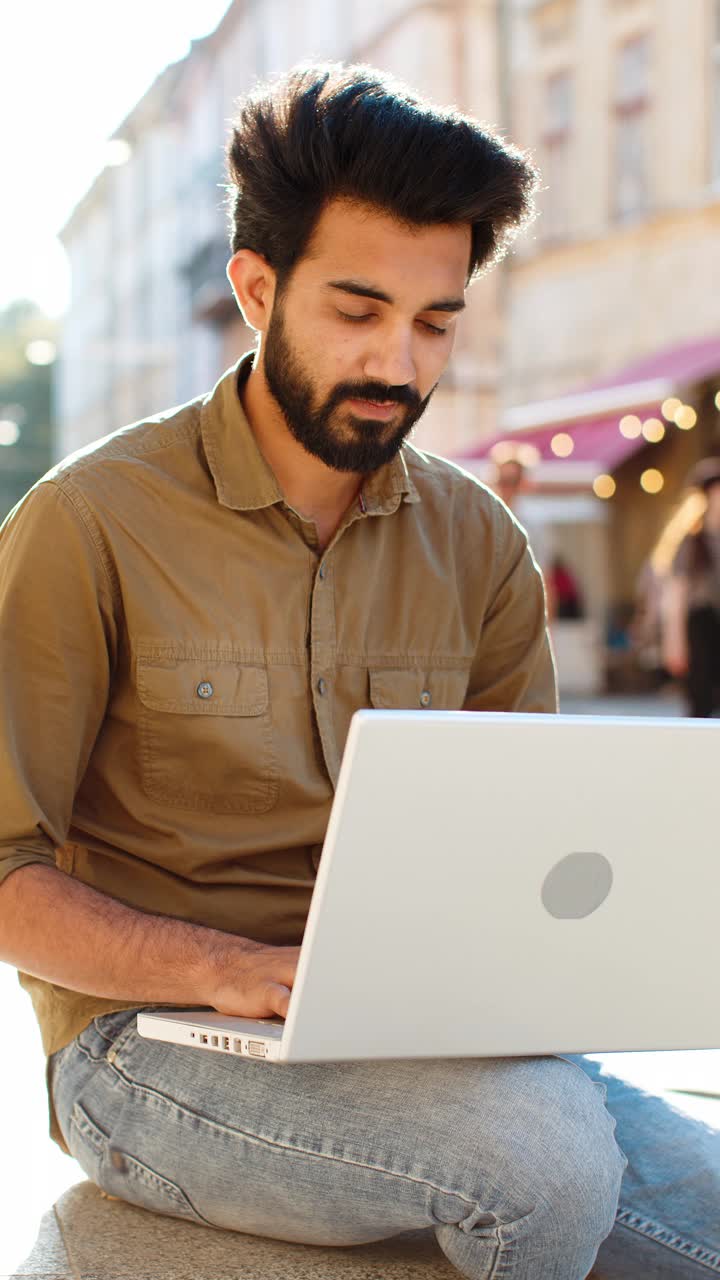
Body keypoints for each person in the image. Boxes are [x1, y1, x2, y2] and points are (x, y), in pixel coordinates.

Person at [0, 63, 718, 1280]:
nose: (399, 358)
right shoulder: (87, 523)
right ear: (256, 287)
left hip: (418, 1036)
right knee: (538, 1167)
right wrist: (224, 966)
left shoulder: (481, 540)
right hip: (149, 1043)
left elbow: (535, 852)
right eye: (358, 308)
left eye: (436, 320)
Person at [663, 457, 720, 716]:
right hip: (701, 624)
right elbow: (676, 593)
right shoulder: (692, 542)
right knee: (701, 701)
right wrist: (675, 641)